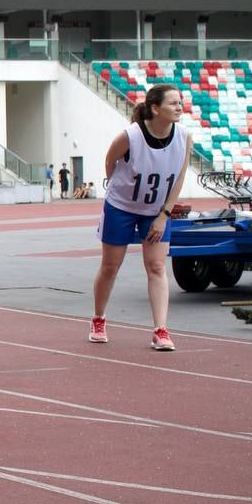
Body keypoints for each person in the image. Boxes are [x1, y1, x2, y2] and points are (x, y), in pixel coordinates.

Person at [90, 84, 191, 350]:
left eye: (180, 102)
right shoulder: (130, 136)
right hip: (120, 207)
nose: (179, 107)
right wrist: (120, 188)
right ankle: (98, 319)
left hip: (156, 210)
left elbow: (180, 177)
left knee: (156, 267)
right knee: (110, 266)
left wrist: (164, 214)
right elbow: (110, 161)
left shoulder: (183, 136)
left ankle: (161, 330)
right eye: (173, 103)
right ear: (155, 108)